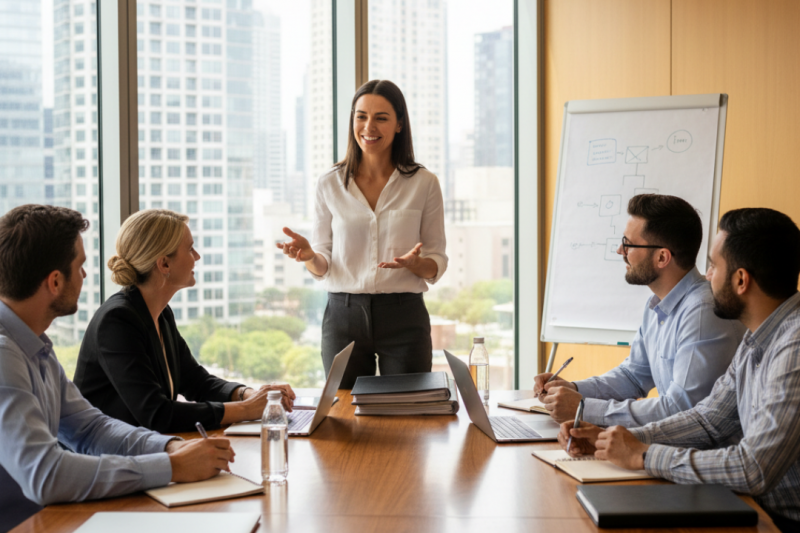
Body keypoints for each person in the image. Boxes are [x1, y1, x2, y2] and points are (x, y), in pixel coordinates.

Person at [558, 208, 800, 532]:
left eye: (713, 266)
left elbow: (754, 467)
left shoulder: (794, 348)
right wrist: (613, 440)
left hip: (780, 521)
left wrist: (644, 456)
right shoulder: (758, 338)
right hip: (751, 506)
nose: (707, 276)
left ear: (741, 280)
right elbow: (708, 419)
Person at [0, 205, 234, 532]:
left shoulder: (35, 346)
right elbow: (46, 475)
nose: (84, 275)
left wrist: (171, 447)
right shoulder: (4, 356)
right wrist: (170, 466)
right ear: (55, 281)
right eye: (79, 267)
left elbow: (90, 428)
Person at [276, 80, 447, 388]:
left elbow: (436, 258)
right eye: (361, 116)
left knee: (409, 415)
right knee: (343, 412)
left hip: (404, 315)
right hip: (343, 316)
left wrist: (415, 265)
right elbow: (323, 263)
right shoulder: (329, 183)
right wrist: (310, 256)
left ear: (399, 124)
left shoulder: (424, 183)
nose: (369, 126)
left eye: (381, 117)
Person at [74, 209, 295, 434]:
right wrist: (247, 409)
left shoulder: (160, 313)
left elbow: (195, 381)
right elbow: (158, 414)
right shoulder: (117, 321)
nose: (197, 256)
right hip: (107, 460)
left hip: (142, 450)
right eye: (190, 249)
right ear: (164, 265)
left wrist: (250, 395)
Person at [534, 194, 746, 426]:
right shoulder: (656, 305)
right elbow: (633, 376)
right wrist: (571, 389)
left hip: (701, 455)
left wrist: (583, 408)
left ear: (662, 257)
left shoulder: (703, 312)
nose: (619, 251)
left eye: (628, 244)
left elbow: (681, 409)